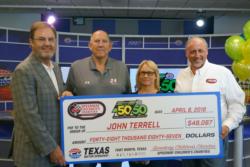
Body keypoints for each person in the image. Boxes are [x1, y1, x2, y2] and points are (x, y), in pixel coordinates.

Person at [175, 37, 246, 167]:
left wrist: (227, 125)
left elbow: (237, 105)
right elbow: (177, 105)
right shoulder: (181, 75)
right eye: (192, 52)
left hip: (215, 138)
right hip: (187, 141)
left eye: (200, 51)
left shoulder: (222, 73)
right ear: (186, 53)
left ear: (207, 52)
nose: (197, 55)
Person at [65, 30, 131, 167]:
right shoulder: (76, 67)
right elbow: (68, 93)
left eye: (104, 41)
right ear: (90, 45)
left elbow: (128, 100)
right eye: (97, 41)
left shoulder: (122, 68)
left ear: (110, 46)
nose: (100, 44)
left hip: (114, 138)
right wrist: (66, 94)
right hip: (84, 139)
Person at [11, 21, 66, 167]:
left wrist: (66, 93)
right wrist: (51, 148)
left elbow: (55, 98)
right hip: (34, 155)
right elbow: (29, 117)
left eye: (51, 39)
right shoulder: (23, 71)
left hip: (57, 149)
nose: (47, 43)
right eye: (41, 39)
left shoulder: (56, 68)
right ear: (31, 43)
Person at [129, 60, 168, 167]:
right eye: (143, 73)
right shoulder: (129, 99)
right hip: (135, 152)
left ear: (156, 76)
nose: (146, 75)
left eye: (150, 73)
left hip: (159, 154)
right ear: (138, 76)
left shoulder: (167, 99)